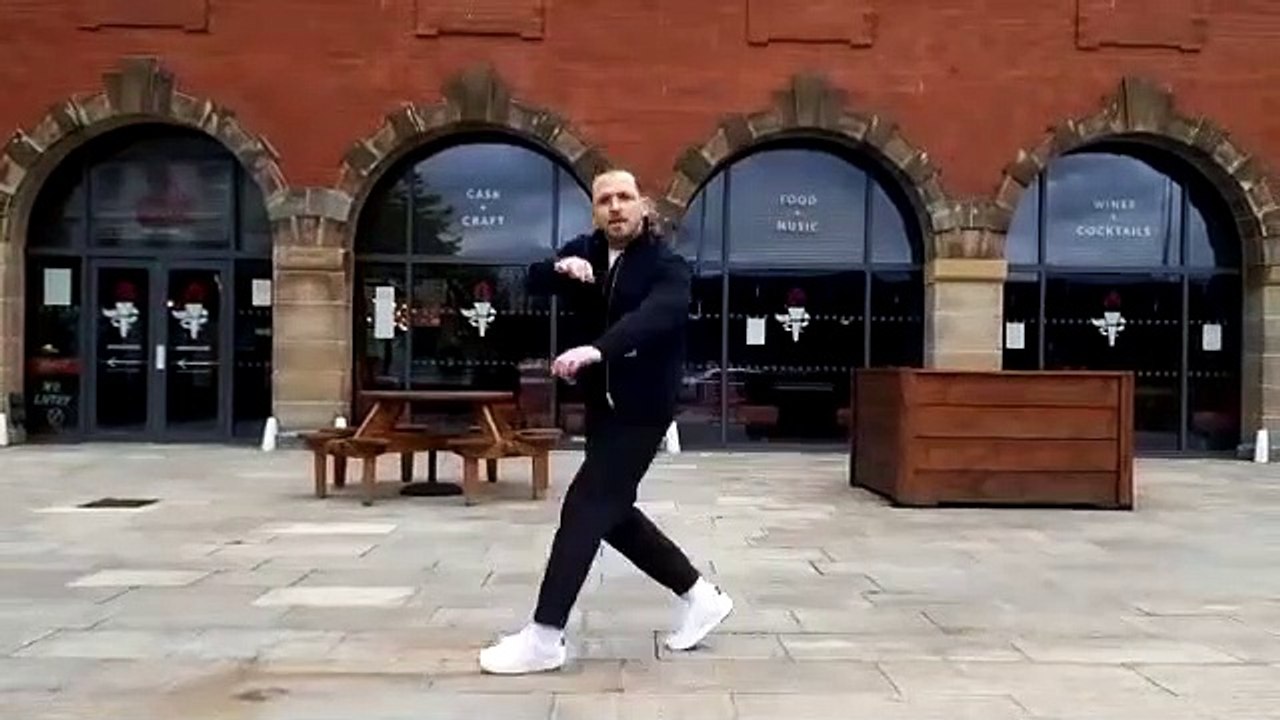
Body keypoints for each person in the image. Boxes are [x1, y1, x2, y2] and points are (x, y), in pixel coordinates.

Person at [478, 169, 733, 675]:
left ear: (643, 206)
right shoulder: (587, 250)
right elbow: (532, 278)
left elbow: (654, 317)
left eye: (624, 197)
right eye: (604, 200)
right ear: (595, 212)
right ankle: (701, 596)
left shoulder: (666, 265)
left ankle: (545, 636)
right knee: (611, 513)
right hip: (603, 408)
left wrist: (598, 349)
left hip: (642, 410)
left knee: (585, 506)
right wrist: (561, 267)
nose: (615, 206)